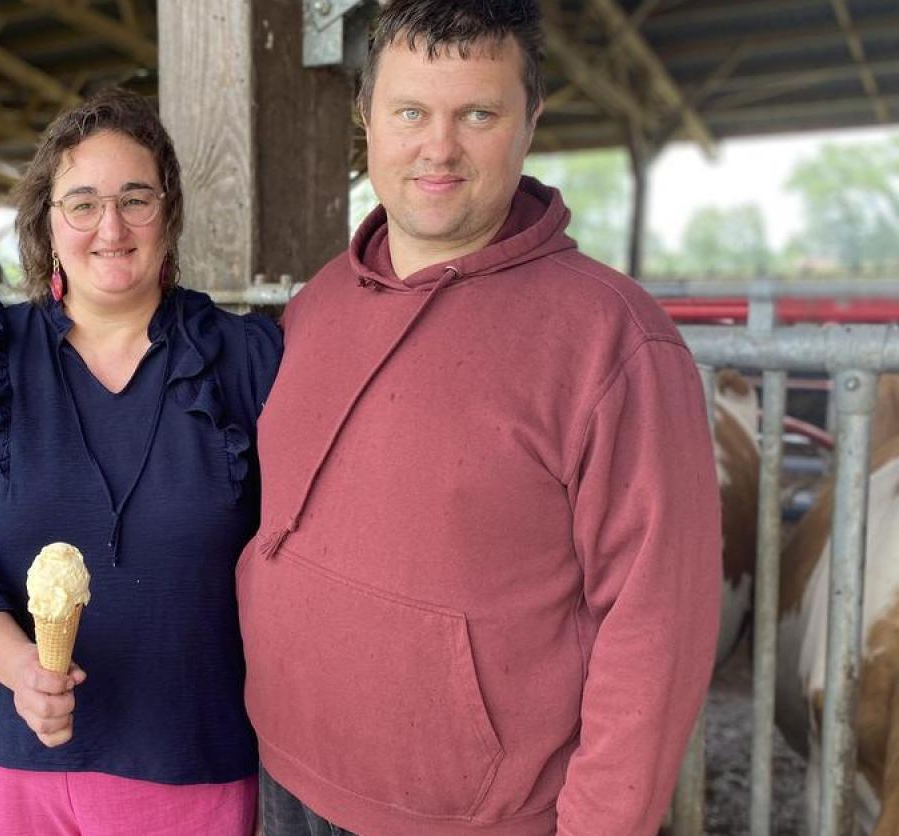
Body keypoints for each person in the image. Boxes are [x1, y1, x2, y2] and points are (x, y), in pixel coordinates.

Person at [239, 2, 721, 834]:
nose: (438, 146)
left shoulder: (615, 341)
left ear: (531, 120)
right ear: (367, 119)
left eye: (478, 113)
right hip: (284, 770)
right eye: (411, 112)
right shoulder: (317, 303)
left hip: (471, 816)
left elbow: (655, 629)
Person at [0, 89, 281, 835]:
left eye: (135, 198)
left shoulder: (249, 360)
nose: (111, 226)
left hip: (186, 753)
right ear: (47, 220)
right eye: (82, 202)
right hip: (8, 753)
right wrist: (19, 669)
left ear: (168, 212)